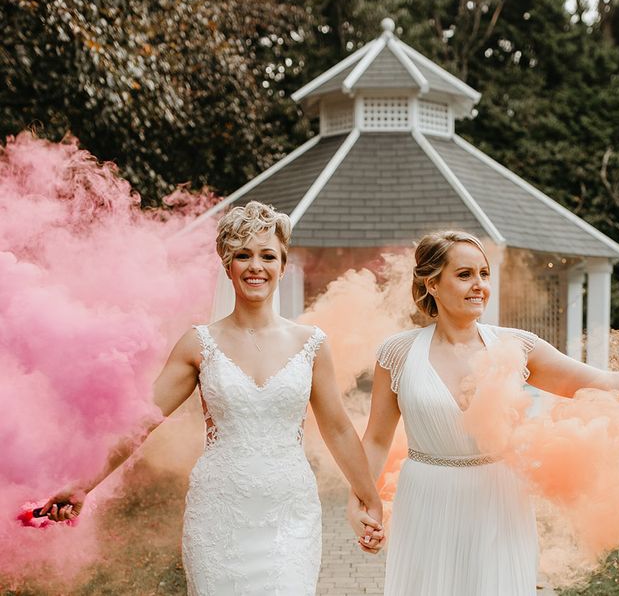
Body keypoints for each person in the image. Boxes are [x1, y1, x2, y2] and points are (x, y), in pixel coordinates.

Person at [348, 230, 619, 596]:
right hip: (426, 499)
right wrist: (362, 503)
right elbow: (377, 439)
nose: (479, 286)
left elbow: (604, 383)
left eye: (484, 274)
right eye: (465, 274)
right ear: (432, 283)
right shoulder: (397, 353)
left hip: (497, 500)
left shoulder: (517, 346)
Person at [43, 200, 383, 595]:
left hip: (289, 515)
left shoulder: (311, 344)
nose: (256, 266)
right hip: (218, 514)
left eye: (267, 256)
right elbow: (142, 422)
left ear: (282, 266)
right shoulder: (198, 344)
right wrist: (85, 484)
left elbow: (338, 429)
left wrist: (368, 499)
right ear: (228, 266)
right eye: (243, 255)